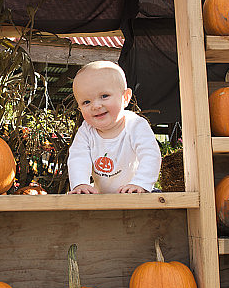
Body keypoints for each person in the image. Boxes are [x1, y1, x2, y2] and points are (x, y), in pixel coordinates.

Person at [67, 60, 161, 194]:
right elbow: (78, 157)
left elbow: (150, 154)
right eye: (86, 102)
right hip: (103, 196)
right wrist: (80, 184)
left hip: (137, 192)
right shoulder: (86, 131)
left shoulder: (135, 125)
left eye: (104, 96)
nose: (96, 106)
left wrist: (140, 183)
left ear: (125, 97)